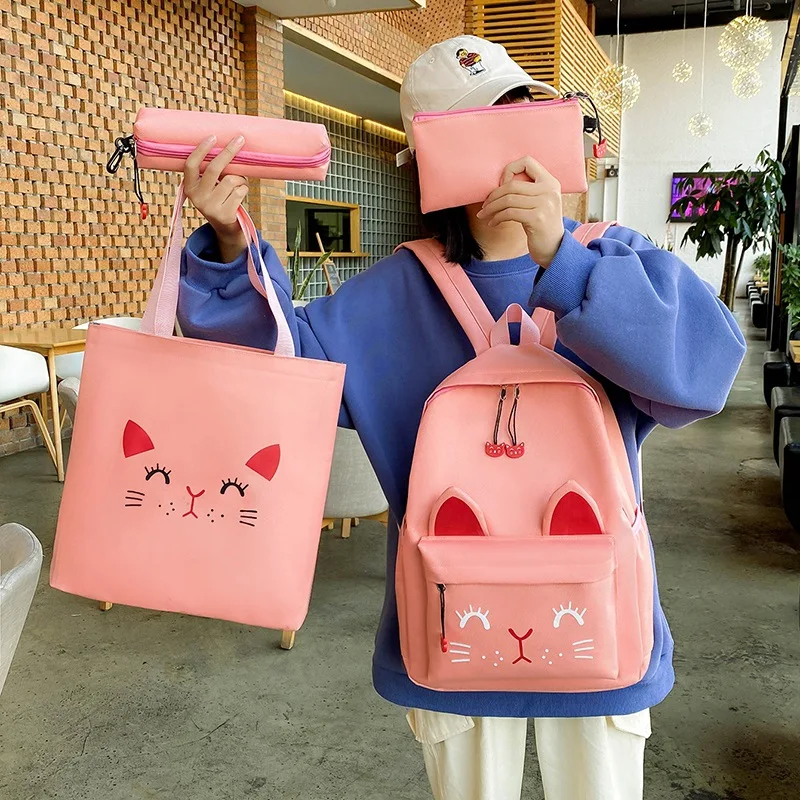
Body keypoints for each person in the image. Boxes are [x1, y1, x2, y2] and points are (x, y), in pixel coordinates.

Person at [177, 35, 745, 800]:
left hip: (564, 619)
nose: (509, 149)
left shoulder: (609, 258)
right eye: (476, 128)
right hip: (476, 624)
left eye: (521, 115)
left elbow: (706, 373)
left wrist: (563, 257)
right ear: (429, 158)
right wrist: (228, 239)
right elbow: (274, 376)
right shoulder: (393, 293)